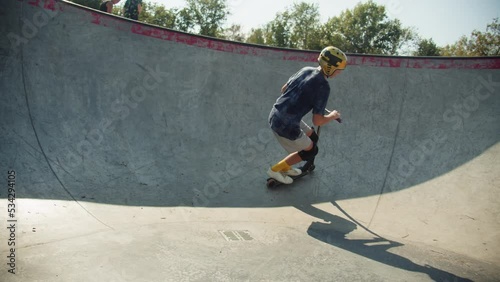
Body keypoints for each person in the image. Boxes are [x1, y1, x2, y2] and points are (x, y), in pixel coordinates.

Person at [267, 46, 347, 184]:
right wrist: (332, 115)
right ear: (330, 67)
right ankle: (276, 169)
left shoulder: (306, 69)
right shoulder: (323, 87)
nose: (340, 73)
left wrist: (305, 97)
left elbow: (284, 89)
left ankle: (287, 167)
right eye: (339, 70)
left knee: (313, 137)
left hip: (276, 113)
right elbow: (318, 121)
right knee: (311, 151)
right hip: (286, 125)